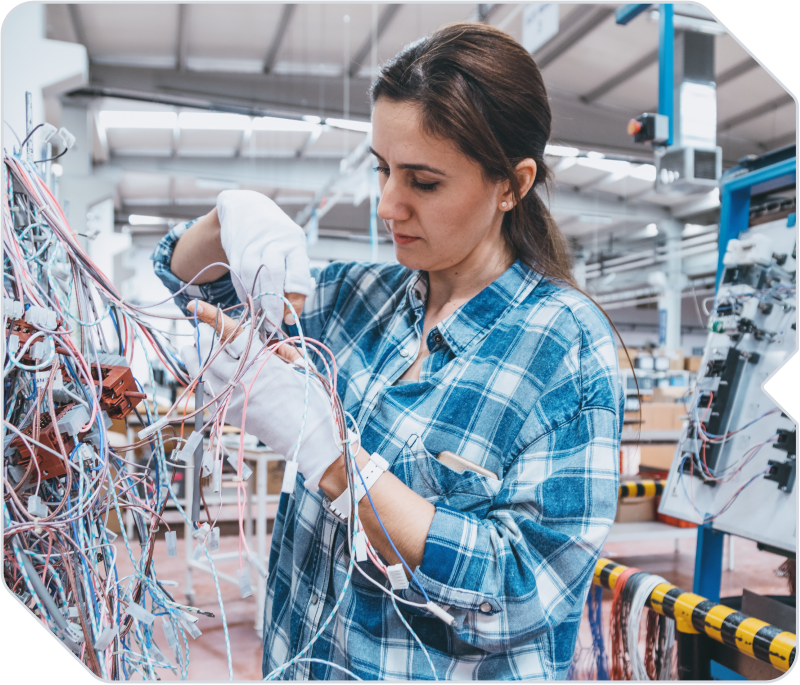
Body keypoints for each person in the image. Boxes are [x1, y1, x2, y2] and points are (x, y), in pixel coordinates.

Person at [152, 22, 621, 681]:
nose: (386, 204)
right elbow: (188, 286)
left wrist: (336, 460)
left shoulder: (563, 348)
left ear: (511, 185)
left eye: (423, 182)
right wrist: (225, 220)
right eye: (382, 168)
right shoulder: (358, 296)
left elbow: (520, 592)